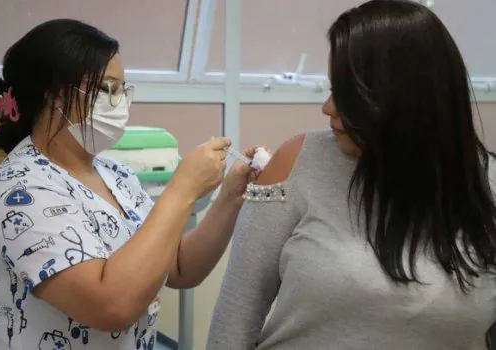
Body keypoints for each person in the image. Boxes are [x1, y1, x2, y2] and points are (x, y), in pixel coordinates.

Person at [207, 1, 496, 349]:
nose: (327, 107)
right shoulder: (298, 162)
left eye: (346, 93)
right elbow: (235, 318)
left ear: (403, 98)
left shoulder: (487, 186)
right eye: (332, 89)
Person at [0, 19, 258, 350]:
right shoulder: (19, 192)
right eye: (106, 89)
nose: (119, 101)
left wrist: (231, 196)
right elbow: (112, 306)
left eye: (122, 89)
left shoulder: (115, 174)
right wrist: (183, 189)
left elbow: (177, 267)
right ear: (55, 97)